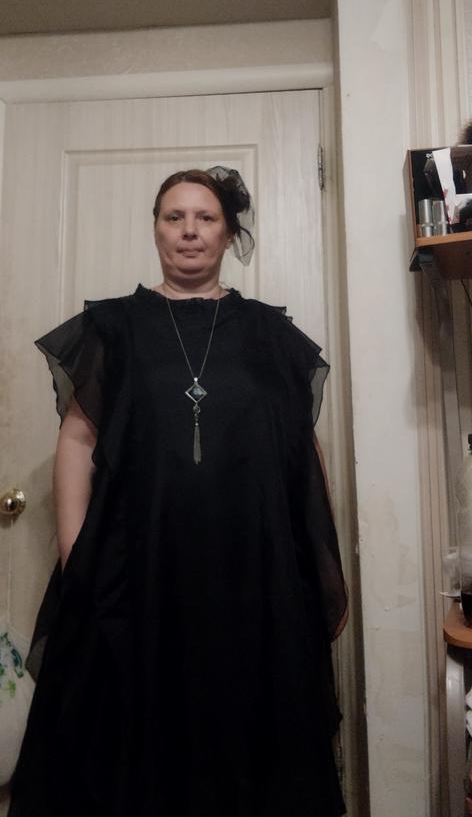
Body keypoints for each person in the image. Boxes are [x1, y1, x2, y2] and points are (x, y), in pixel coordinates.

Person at [8, 165, 348, 817]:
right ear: (157, 230)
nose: (189, 230)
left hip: (252, 579)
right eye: (174, 217)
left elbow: (301, 453)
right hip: (137, 573)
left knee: (248, 739)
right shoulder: (115, 328)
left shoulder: (271, 335)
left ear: (227, 234)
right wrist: (76, 556)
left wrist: (315, 565)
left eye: (205, 217)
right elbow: (78, 439)